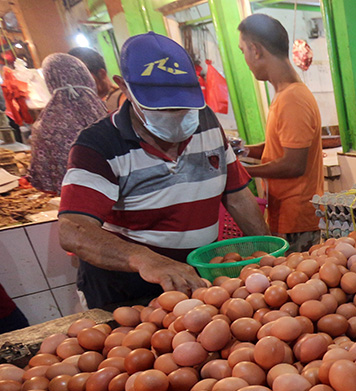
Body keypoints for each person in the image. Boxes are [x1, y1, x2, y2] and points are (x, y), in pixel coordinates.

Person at [58, 32, 269, 310]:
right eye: (160, 106)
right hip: (126, 291)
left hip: (197, 280)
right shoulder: (97, 145)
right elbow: (73, 230)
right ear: (124, 88)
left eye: (182, 104)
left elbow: (238, 196)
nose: (175, 114)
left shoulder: (204, 120)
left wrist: (270, 254)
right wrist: (143, 259)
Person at [237, 13, 323, 253]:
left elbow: (294, 164)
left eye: (242, 50)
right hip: (287, 215)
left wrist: (243, 172)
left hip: (297, 219)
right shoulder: (285, 95)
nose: (244, 57)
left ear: (255, 50)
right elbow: (283, 148)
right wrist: (244, 151)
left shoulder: (293, 98)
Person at [26, 54, 107, 194]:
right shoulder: (104, 114)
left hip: (72, 205)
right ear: (84, 75)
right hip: (116, 199)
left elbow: (41, 181)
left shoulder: (43, 125)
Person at [68, 46, 125, 113]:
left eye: (82, 77)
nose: (77, 84)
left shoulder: (123, 99)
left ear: (102, 74)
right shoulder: (82, 107)